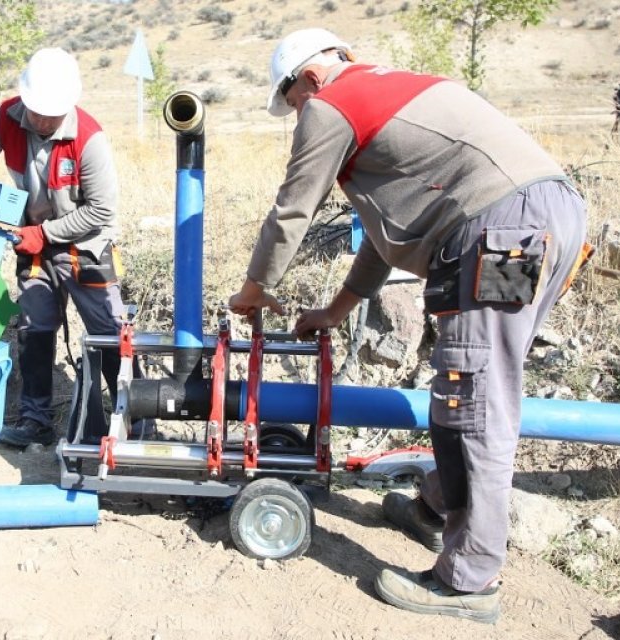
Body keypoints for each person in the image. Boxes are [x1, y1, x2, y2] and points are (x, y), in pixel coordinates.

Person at [227, 28, 589, 624]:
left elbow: (293, 209)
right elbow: (383, 233)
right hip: (533, 224)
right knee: (464, 384)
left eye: (291, 103)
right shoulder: (387, 94)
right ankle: (434, 510)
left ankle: (468, 583)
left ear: (310, 79)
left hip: (503, 235)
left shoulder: (331, 104)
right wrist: (337, 310)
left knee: (478, 400)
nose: (297, 116)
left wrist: (254, 289)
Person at [0, 47, 150, 447]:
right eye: (35, 110)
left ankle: (136, 423)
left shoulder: (89, 139)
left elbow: (102, 210)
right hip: (32, 246)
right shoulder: (6, 118)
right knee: (34, 329)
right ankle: (35, 420)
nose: (41, 119)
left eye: (50, 113)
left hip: (85, 248)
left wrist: (47, 233)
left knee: (108, 331)